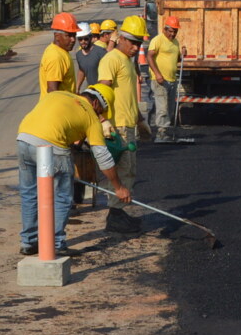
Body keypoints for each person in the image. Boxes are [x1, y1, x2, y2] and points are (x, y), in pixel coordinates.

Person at [16, 88, 131, 256]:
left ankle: (29, 242)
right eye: (101, 111)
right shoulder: (90, 116)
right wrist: (118, 187)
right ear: (95, 103)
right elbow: (103, 157)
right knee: (62, 196)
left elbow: (56, 121)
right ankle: (55, 243)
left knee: (29, 193)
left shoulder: (58, 95)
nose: (101, 116)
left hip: (24, 139)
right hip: (52, 147)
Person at [98, 14, 148, 234]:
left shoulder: (127, 60)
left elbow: (128, 95)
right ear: (122, 39)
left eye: (139, 44)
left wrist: (140, 120)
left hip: (129, 124)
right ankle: (115, 217)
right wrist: (103, 120)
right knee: (121, 171)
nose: (136, 48)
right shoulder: (111, 59)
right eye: (133, 43)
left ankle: (121, 214)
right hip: (116, 126)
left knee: (129, 172)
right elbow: (101, 92)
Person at [147, 16, 186, 143]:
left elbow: (177, 60)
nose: (173, 33)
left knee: (170, 107)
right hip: (160, 80)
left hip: (172, 80)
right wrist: (157, 74)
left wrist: (183, 54)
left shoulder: (176, 43)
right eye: (170, 31)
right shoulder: (157, 40)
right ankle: (160, 133)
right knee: (162, 107)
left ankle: (166, 131)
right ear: (165, 29)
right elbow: (149, 57)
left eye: (175, 31)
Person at [39, 13, 78, 100]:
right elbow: (52, 91)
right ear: (57, 36)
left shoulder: (61, 51)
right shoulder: (56, 56)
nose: (73, 40)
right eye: (68, 35)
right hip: (57, 110)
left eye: (74, 35)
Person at [75, 23, 106, 92]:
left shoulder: (101, 52)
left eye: (86, 39)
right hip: (91, 91)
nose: (83, 42)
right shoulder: (79, 55)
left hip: (103, 91)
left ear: (91, 37)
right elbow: (82, 70)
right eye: (80, 39)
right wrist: (77, 88)